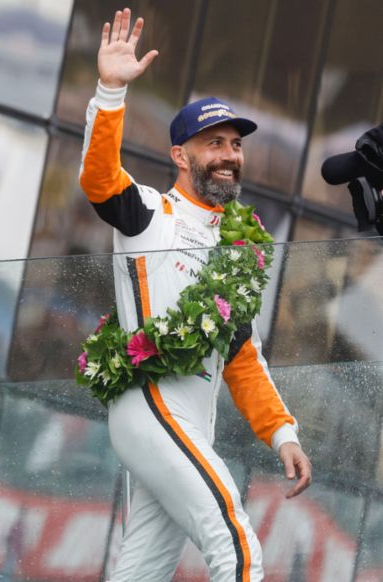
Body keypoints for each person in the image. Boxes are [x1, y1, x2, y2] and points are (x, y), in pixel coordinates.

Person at [79, 9, 313, 581]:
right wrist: (110, 92)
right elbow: (98, 178)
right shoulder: (150, 214)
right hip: (150, 407)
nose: (230, 154)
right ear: (181, 157)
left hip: (191, 423)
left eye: (235, 144)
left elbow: (243, 356)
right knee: (235, 546)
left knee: (140, 574)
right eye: (214, 143)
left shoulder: (239, 246)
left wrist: (283, 434)